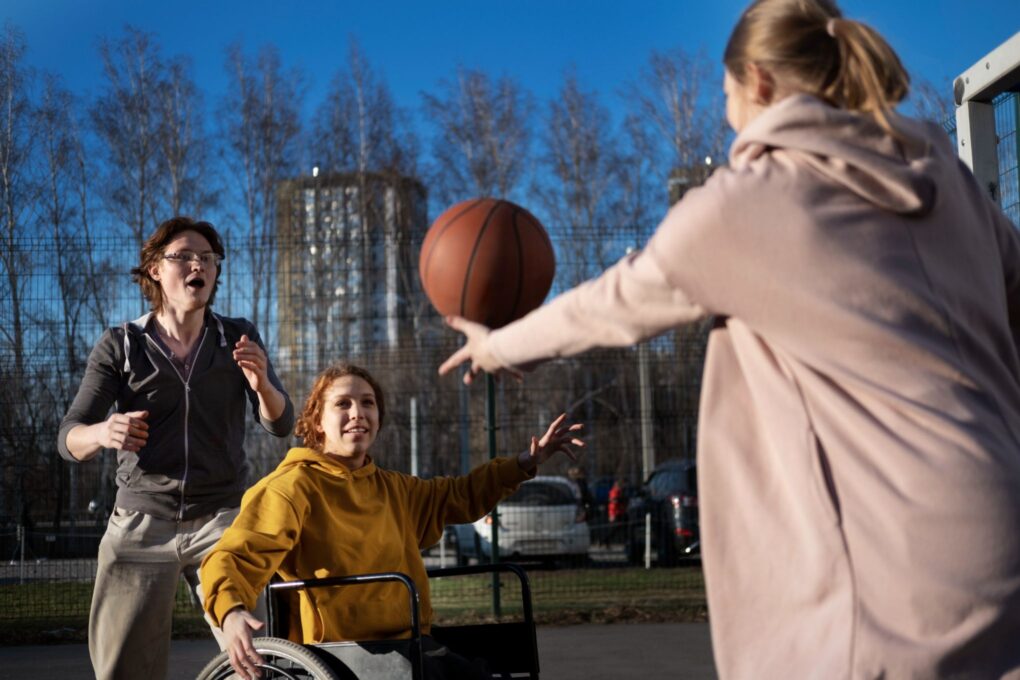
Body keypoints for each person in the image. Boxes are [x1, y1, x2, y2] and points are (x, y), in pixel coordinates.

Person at [438, 0, 1020, 676]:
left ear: (759, 82)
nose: (725, 111)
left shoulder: (754, 201)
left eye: (725, 94)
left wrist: (495, 346)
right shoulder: (948, 179)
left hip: (893, 558)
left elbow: (612, 302)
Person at [199, 362, 584, 680]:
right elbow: (232, 556)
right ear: (317, 423)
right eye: (343, 404)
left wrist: (524, 463)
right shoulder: (293, 487)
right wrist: (231, 613)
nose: (358, 413)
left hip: (409, 643)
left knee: (495, 664)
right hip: (342, 654)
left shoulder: (394, 488)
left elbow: (461, 496)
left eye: (367, 403)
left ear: (378, 419)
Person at [57, 216, 295, 680]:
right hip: (141, 525)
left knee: (257, 657)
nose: (197, 265)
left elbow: (281, 423)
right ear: (153, 270)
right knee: (123, 670)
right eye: (184, 256)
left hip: (222, 521)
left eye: (206, 258)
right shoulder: (122, 345)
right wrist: (104, 433)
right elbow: (69, 435)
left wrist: (263, 384)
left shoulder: (236, 337)